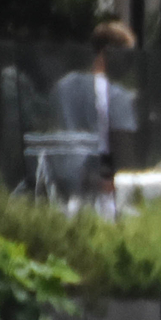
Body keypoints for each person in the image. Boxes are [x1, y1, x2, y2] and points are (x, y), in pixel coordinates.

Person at [52, 21, 138, 211]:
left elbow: (52, 130)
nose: (130, 63)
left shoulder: (63, 86)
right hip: (103, 193)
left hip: (63, 186)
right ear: (108, 52)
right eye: (127, 55)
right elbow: (124, 155)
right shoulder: (117, 96)